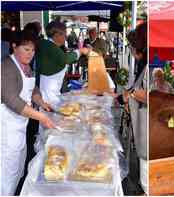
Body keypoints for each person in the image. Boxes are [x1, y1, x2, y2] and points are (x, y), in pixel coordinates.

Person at [1, 30, 55, 195]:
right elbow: (12, 100)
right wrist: (41, 116)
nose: (30, 54)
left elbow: (33, 88)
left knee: (18, 170)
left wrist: (41, 102)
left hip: (19, 127)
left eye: (33, 50)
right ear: (14, 46)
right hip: (6, 127)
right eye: (26, 49)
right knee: (6, 174)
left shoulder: (25, 65)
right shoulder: (6, 67)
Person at [121, 22, 148, 194]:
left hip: (146, 126)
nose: (131, 50)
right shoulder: (143, 63)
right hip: (141, 124)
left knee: (146, 166)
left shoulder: (148, 64)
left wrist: (132, 94)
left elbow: (149, 94)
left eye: (131, 47)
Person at [36, 21, 90, 105]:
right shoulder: (51, 47)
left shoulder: (46, 44)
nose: (66, 37)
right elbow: (65, 59)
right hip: (49, 95)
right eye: (64, 34)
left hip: (48, 91)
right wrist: (80, 51)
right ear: (57, 35)